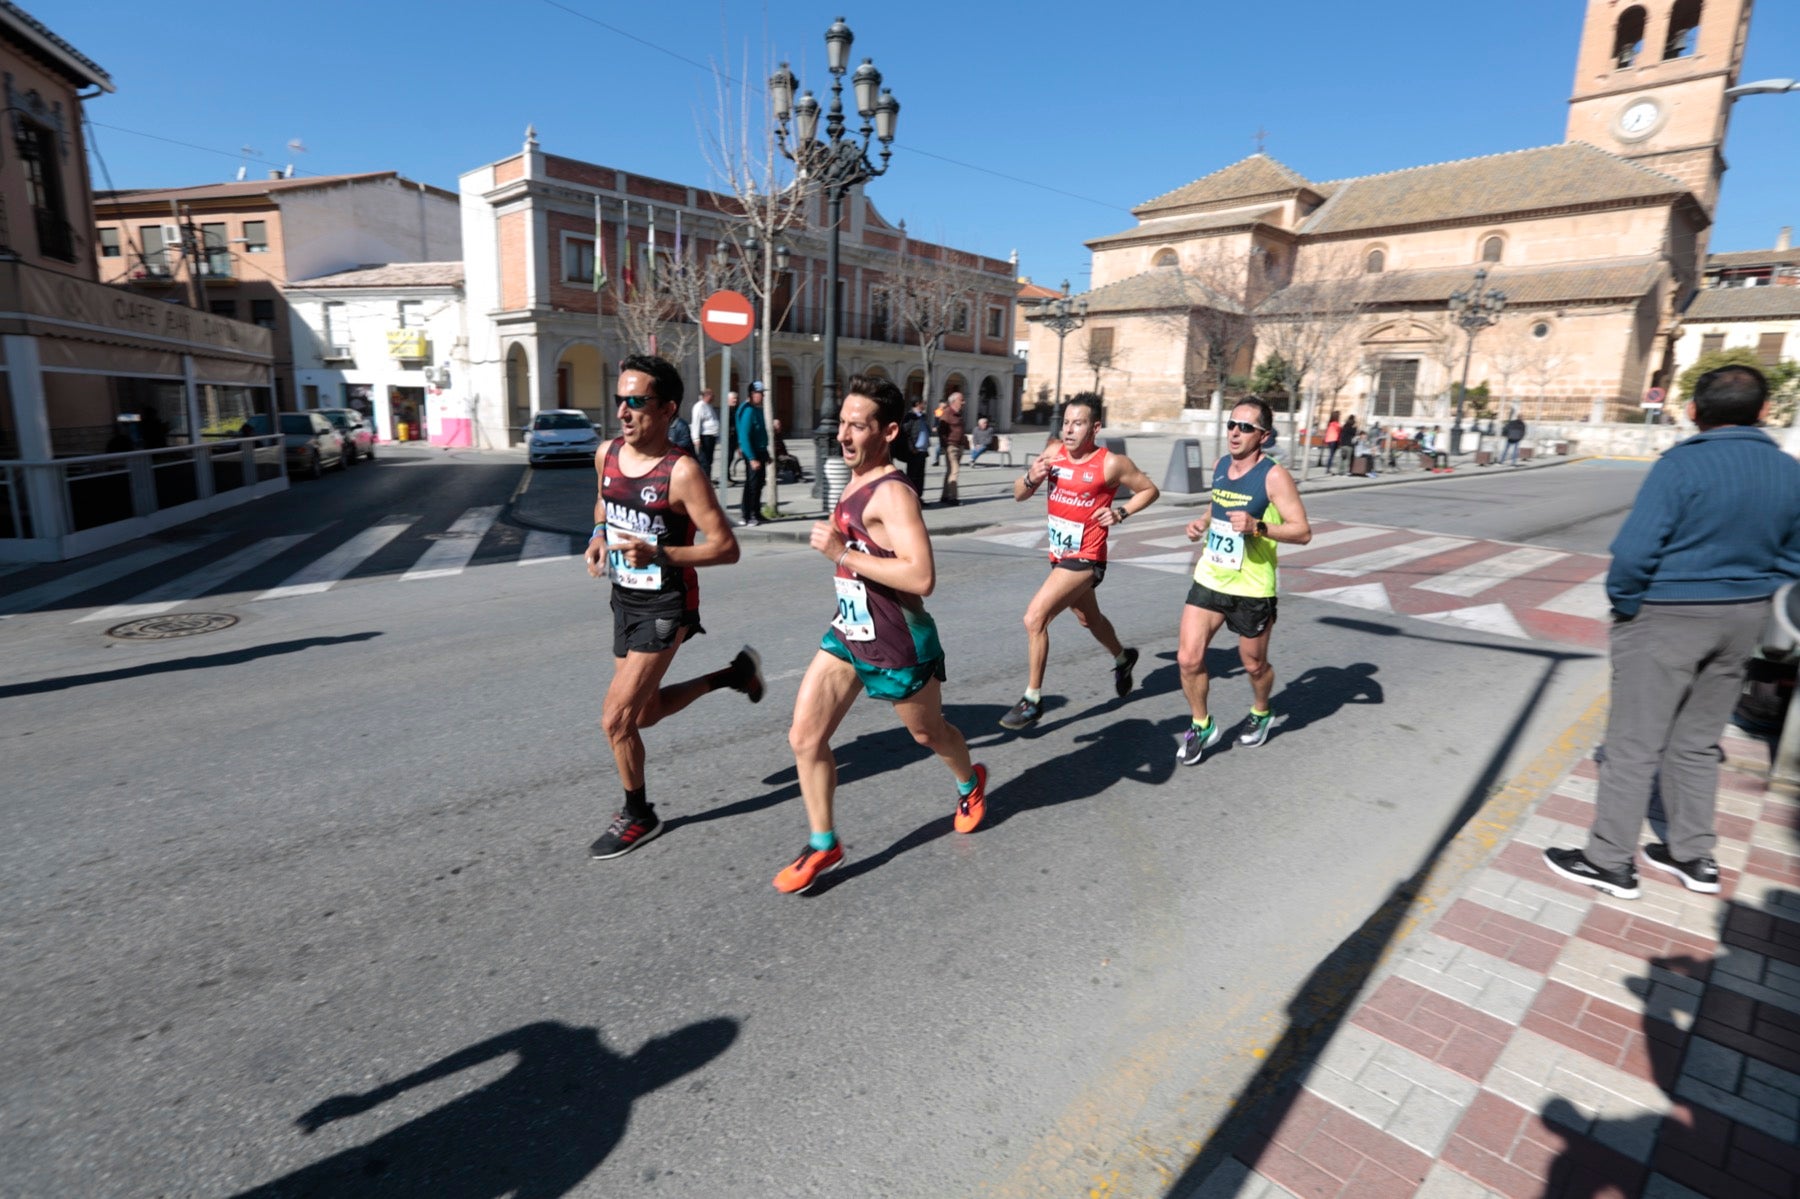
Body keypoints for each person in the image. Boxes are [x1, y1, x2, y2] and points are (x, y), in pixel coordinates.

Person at [1544, 365, 1800, 899]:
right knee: (1700, 740)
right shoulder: (1788, 470)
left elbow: (1635, 552)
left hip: (1668, 614)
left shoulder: (1681, 465)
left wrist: (1627, 605)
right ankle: (1693, 854)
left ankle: (1610, 860)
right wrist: (1755, 594)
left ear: (1692, 411)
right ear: (1762, 412)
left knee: (1633, 744)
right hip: (1744, 617)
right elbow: (1794, 556)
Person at [776, 374, 988, 893]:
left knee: (927, 734)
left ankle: (970, 782)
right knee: (805, 736)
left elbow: (922, 578)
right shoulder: (853, 478)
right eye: (842, 423)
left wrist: (839, 554)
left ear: (889, 431)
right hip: (849, 631)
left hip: (898, 640)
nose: (843, 435)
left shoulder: (893, 494)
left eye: (857, 426)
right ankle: (824, 843)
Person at [583, 354, 765, 860]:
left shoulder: (682, 473)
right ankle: (732, 676)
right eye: (620, 399)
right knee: (645, 715)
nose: (623, 410)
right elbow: (603, 502)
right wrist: (599, 534)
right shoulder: (607, 455)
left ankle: (638, 814)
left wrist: (660, 552)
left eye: (636, 401)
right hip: (625, 596)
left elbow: (727, 548)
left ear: (666, 409)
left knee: (615, 719)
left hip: (667, 603)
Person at [1000, 393, 1160, 730]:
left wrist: (1121, 511)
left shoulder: (1110, 463)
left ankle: (1032, 699)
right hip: (1060, 555)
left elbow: (1149, 489)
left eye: (1079, 423)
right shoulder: (1053, 453)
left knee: (1035, 618)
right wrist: (1032, 477)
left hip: (1087, 558)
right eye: (1066, 422)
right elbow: (1018, 493)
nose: (1070, 429)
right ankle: (1123, 657)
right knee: (1090, 619)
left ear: (1095, 427)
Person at [1175, 398, 1313, 765]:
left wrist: (1259, 527)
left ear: (1263, 436)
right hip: (1211, 575)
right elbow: (1217, 502)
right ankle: (1201, 724)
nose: (1235, 432)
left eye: (1246, 427)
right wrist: (1202, 522)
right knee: (1188, 659)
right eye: (1232, 425)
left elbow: (1302, 532)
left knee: (1254, 665)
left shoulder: (1274, 476)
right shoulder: (1222, 464)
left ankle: (1262, 710)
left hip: (1252, 585)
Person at [736, 382, 769, 527]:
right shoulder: (748, 411)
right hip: (753, 453)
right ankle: (748, 515)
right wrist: (751, 458)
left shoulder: (756, 409)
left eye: (762, 393)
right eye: (758, 393)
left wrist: (766, 454)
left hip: (760, 451)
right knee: (752, 485)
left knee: (759, 484)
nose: (761, 396)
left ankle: (756, 512)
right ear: (751, 394)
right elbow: (744, 436)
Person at [937, 391, 968, 506]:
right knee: (955, 471)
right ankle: (952, 498)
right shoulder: (947, 413)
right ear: (954, 401)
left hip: (959, 445)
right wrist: (945, 445)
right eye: (961, 400)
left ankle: (945, 496)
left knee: (950, 471)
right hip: (951, 446)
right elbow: (941, 430)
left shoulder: (959, 413)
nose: (964, 402)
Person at [901, 397, 930, 494]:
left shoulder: (923, 416)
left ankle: (919, 497)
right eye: (923, 403)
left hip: (923, 451)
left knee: (920, 476)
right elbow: (905, 433)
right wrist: (912, 448)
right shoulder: (910, 416)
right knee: (912, 476)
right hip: (914, 452)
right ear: (917, 403)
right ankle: (911, 496)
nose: (925, 405)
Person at [692, 388, 720, 476]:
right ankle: (704, 479)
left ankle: (707, 478)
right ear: (707, 395)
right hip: (704, 437)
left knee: (709, 460)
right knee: (704, 461)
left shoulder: (709, 406)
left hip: (711, 436)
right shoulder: (699, 406)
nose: (714, 397)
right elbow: (696, 422)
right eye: (712, 395)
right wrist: (696, 438)